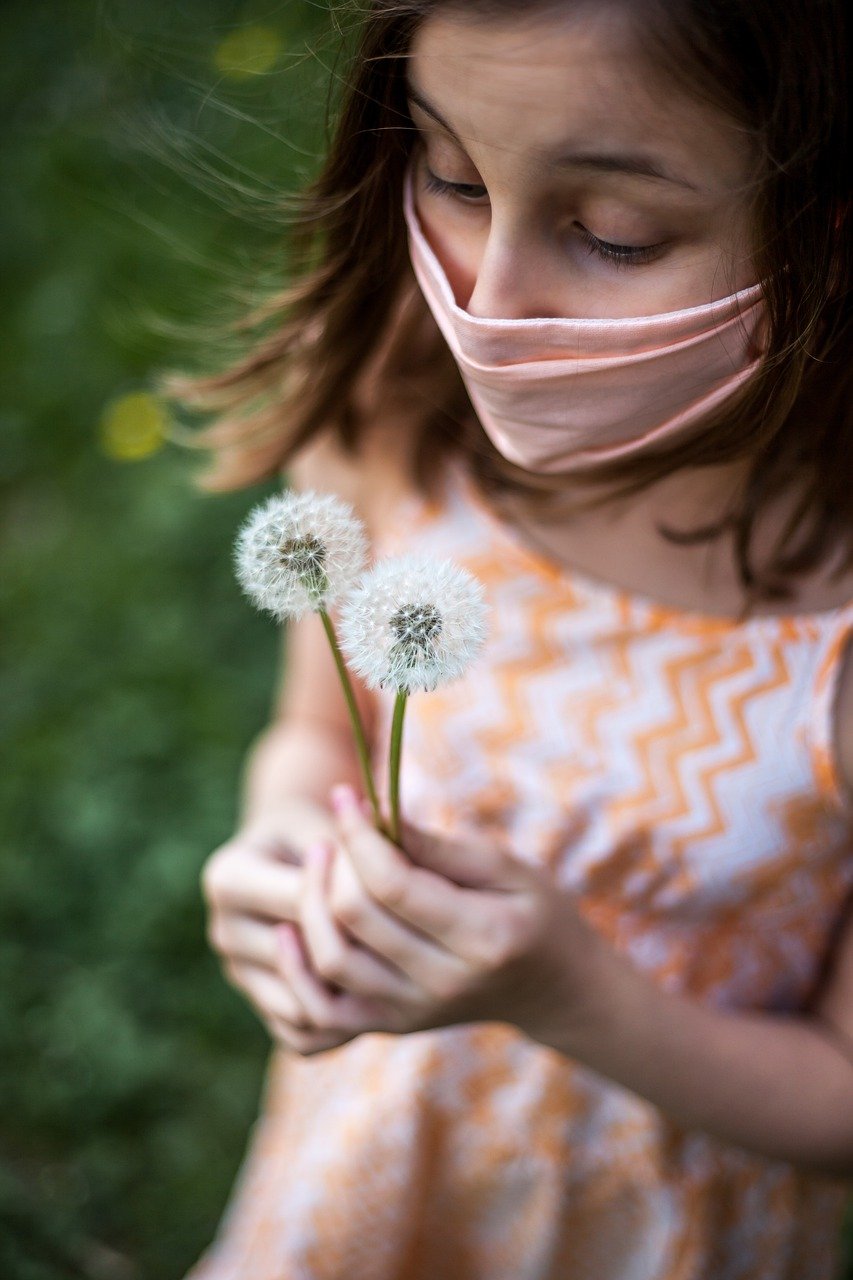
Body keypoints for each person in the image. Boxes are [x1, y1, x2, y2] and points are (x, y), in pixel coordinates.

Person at [171, 1, 853, 1276]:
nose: (489, 302)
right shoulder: (396, 393)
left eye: (612, 232)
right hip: (362, 1172)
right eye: (450, 173)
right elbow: (319, 726)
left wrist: (568, 994)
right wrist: (284, 845)